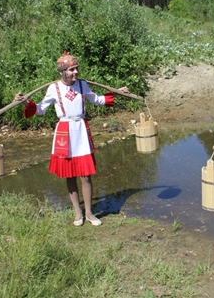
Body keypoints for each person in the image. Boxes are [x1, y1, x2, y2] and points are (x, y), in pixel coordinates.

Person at [14, 51, 130, 227]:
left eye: (76, 69)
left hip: (81, 130)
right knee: (70, 175)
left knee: (85, 175)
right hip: (64, 132)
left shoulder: (82, 85)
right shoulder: (54, 88)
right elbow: (40, 109)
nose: (75, 73)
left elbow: (97, 100)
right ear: (62, 72)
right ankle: (78, 213)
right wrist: (24, 102)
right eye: (71, 70)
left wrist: (116, 93)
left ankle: (90, 213)